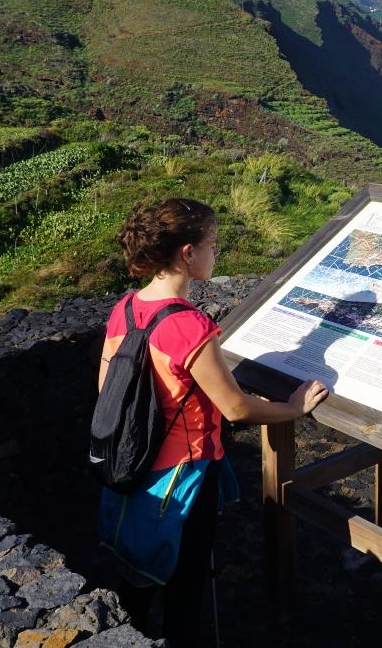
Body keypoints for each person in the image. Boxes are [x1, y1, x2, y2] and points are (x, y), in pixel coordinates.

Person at [97, 197, 328, 645]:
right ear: (187, 253)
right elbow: (237, 409)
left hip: (130, 465)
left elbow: (108, 388)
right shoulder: (189, 326)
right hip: (183, 475)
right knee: (187, 584)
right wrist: (293, 409)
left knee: (137, 574)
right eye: (212, 245)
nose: (215, 255)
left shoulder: (125, 308)